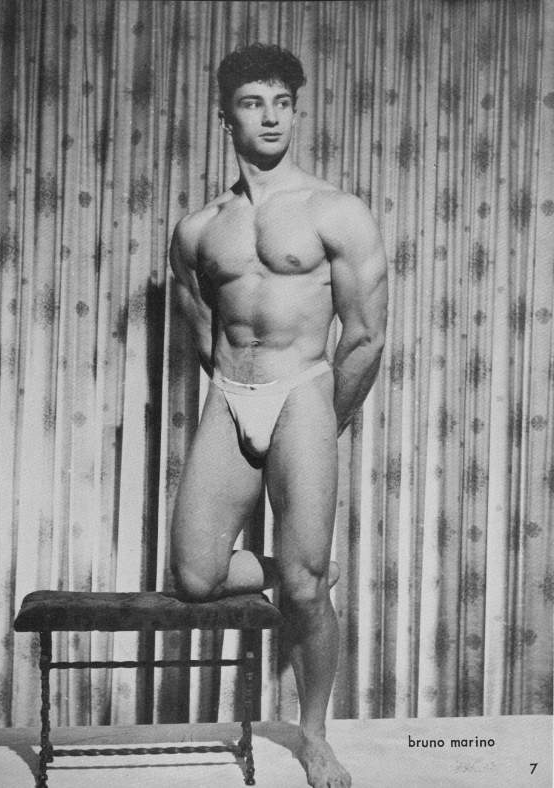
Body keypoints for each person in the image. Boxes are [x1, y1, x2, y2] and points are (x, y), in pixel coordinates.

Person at [168, 43, 387, 788]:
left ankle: (314, 733)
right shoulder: (198, 229)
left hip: (304, 390)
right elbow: (204, 331)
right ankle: (301, 564)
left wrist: (323, 417)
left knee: (302, 592)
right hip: (232, 394)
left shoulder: (335, 211)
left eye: (282, 103)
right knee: (195, 577)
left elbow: (364, 336)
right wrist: (236, 393)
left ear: (295, 111)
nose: (270, 118)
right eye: (252, 103)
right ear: (224, 115)